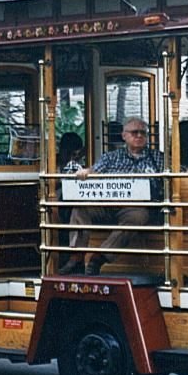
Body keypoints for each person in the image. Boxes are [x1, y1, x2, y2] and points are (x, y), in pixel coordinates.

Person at [59, 117, 164, 275]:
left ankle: (99, 258)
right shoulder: (111, 157)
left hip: (135, 207)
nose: (139, 136)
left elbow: (181, 170)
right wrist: (85, 172)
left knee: (138, 217)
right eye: (134, 132)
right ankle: (77, 257)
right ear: (124, 136)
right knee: (80, 209)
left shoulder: (157, 158)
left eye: (143, 133)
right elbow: (94, 170)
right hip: (107, 204)